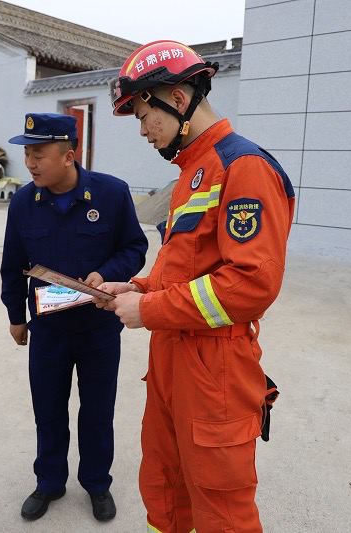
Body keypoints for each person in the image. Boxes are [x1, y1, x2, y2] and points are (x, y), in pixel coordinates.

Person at [96, 40, 295, 532]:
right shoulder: (192, 170)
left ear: (178, 101)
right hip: (173, 360)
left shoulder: (243, 167)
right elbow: (183, 264)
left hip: (215, 370)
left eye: (145, 116)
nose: (143, 130)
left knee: (220, 507)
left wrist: (153, 311)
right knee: (165, 486)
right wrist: (140, 289)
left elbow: (252, 284)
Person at [0, 112, 148, 522]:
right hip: (48, 328)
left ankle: (97, 483)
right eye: (26, 153)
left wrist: (108, 273)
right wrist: (16, 316)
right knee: (48, 410)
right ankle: (49, 482)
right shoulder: (23, 203)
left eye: (38, 153)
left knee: (97, 411)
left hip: (99, 327)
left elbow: (135, 248)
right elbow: (13, 264)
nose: (29, 163)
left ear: (69, 154)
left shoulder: (111, 194)